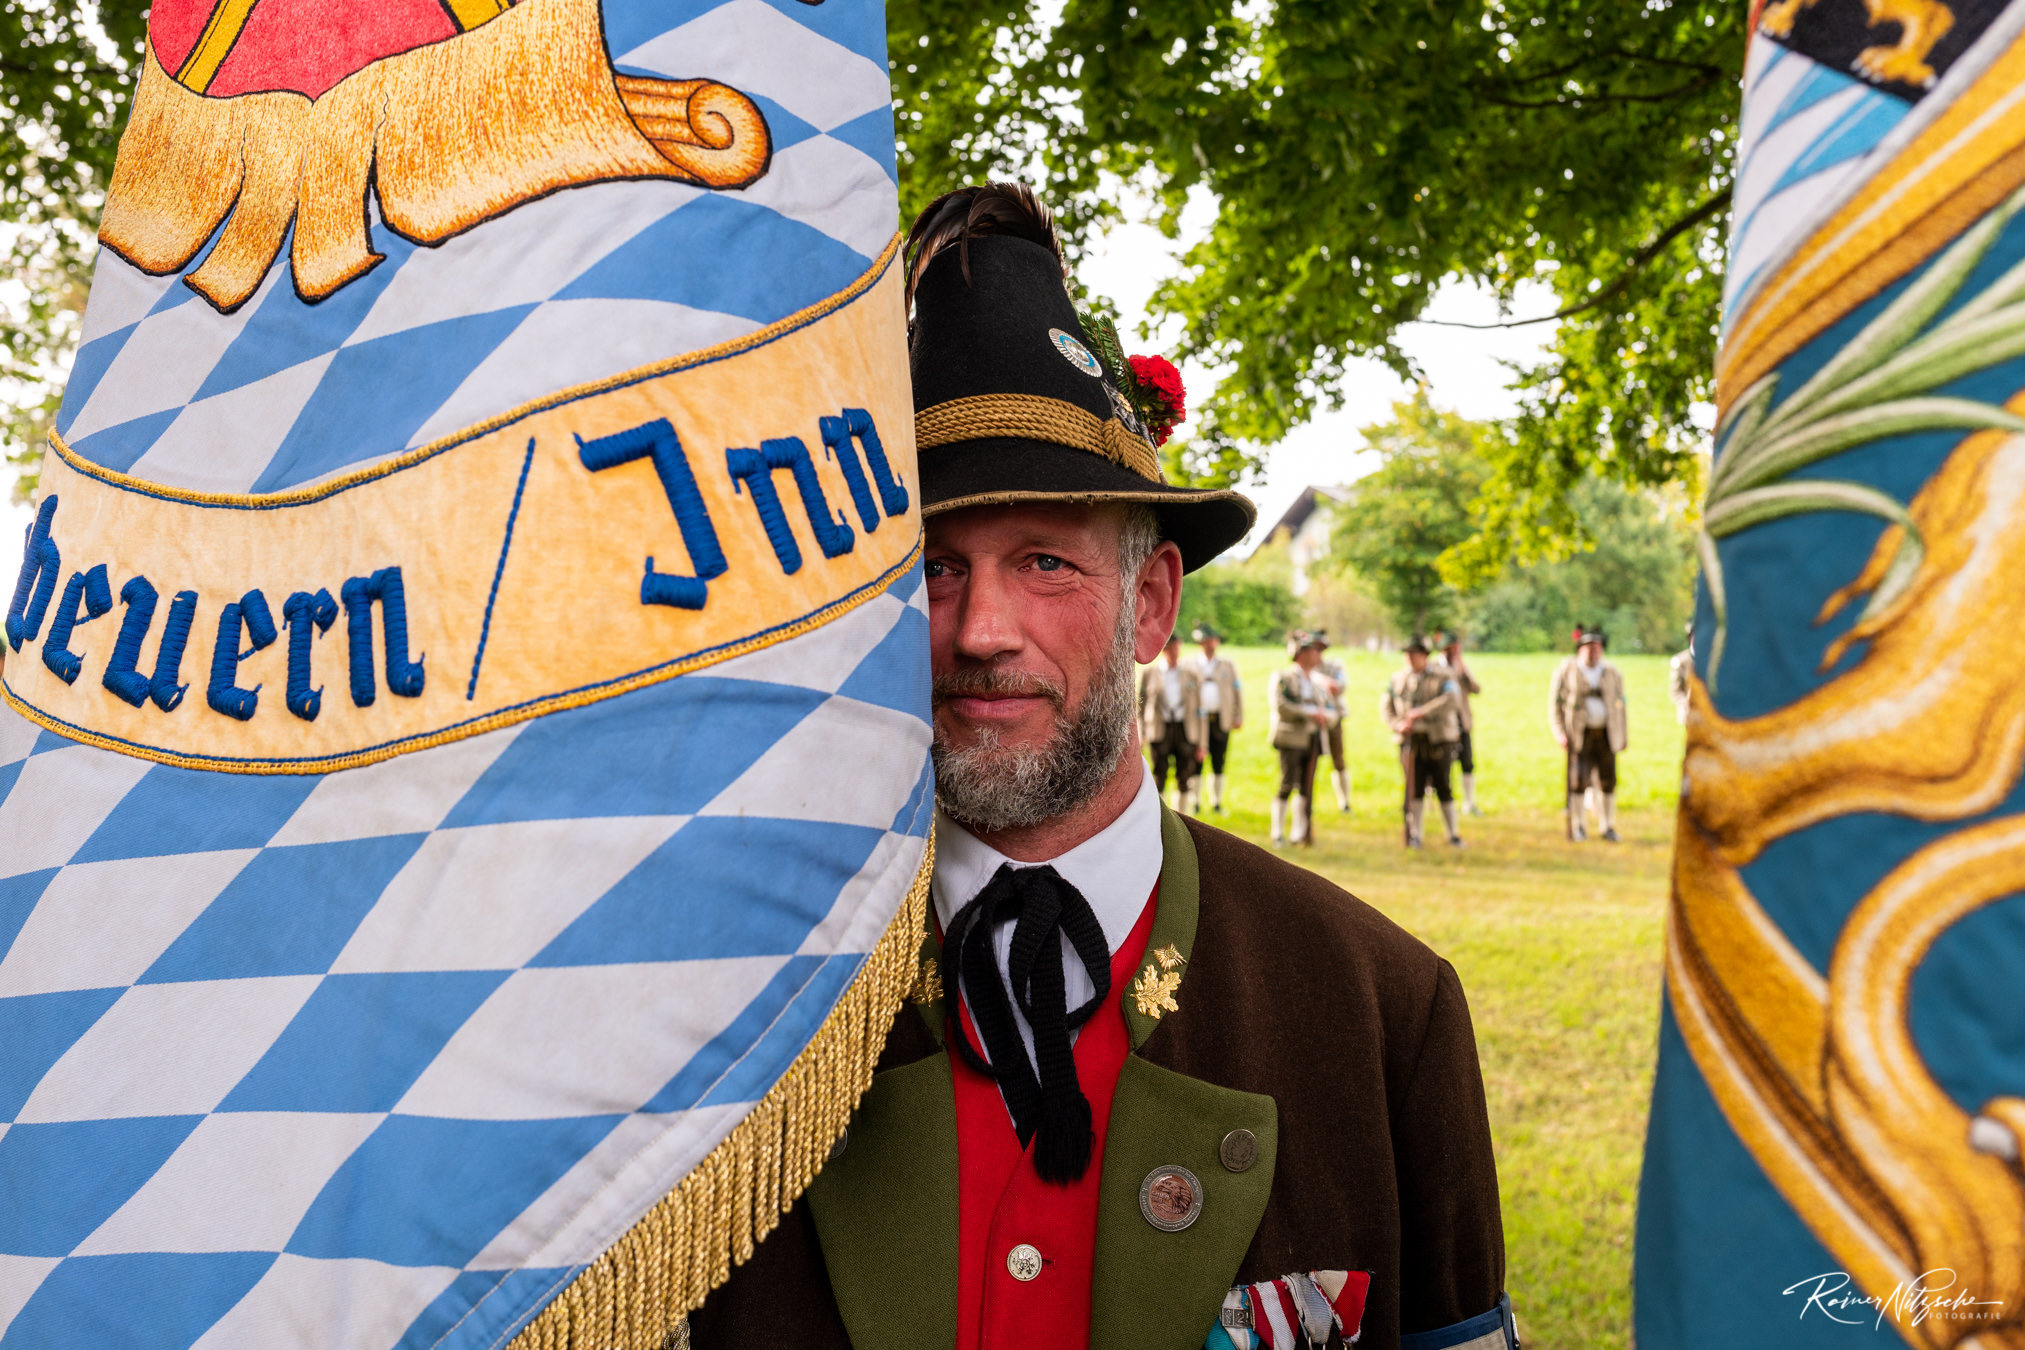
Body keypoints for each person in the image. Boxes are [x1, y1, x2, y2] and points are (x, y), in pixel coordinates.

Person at [689, 182, 1513, 1350]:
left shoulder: (1381, 1010)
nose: (982, 631)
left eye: (1045, 563)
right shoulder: (742, 998)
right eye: (932, 568)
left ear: (1153, 602)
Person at [1383, 639, 1464, 849]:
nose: (1410, 658)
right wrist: (1397, 724)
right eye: (1407, 654)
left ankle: (1453, 834)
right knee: (1414, 788)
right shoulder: (1398, 678)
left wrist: (1422, 712)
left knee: (1443, 785)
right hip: (1411, 741)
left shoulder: (1443, 676)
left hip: (1439, 739)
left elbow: (1451, 699)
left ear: (1425, 655)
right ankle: (1415, 834)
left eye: (1414, 654)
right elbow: (1386, 705)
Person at [1551, 627, 1629, 842]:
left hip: (1606, 734)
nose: (1593, 652)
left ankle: (1607, 826)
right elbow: (1555, 705)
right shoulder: (1567, 671)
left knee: (1608, 781)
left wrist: (1622, 736)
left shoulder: (1612, 673)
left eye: (1597, 648)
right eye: (1589, 648)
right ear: (1580, 650)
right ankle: (1579, 826)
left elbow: (1621, 706)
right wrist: (1559, 732)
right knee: (1578, 781)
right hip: (1579, 734)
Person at [1269, 629, 1336, 848]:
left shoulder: (1318, 682)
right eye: (1314, 650)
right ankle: (1278, 833)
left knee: (1306, 787)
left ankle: (1299, 833)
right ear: (1301, 653)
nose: (1318, 655)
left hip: (1313, 740)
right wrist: (1310, 714)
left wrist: (1326, 717)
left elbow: (1333, 710)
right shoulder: (1284, 677)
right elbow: (1281, 706)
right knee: (1287, 783)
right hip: (1291, 739)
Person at [1139, 631, 1203, 812]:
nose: (1175, 653)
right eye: (1171, 649)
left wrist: (1202, 741)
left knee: (1184, 773)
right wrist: (1141, 733)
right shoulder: (1150, 673)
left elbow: (1200, 709)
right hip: (1159, 729)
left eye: (1177, 648)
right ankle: (1159, 814)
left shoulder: (1191, 674)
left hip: (1184, 729)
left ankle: (1181, 814)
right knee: (1159, 773)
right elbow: (1140, 707)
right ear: (1163, 650)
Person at [1189, 624, 1243, 813]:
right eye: (1207, 641)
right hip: (1198, 721)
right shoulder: (1191, 665)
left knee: (1219, 760)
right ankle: (1195, 801)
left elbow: (1237, 691)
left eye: (1213, 640)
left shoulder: (1227, 665)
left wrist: (1238, 715)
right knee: (1196, 760)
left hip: (1221, 718)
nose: (1210, 644)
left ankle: (1216, 802)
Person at [1436, 632, 1484, 815]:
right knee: (1443, 764)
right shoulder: (1434, 667)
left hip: (1462, 722)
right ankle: (1445, 801)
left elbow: (1476, 689)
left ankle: (1469, 803)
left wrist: (1463, 672)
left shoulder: (1462, 667)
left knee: (1467, 762)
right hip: (1443, 724)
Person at [1313, 630, 1352, 812]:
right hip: (1312, 721)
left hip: (1334, 718)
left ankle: (1344, 802)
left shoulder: (1334, 666)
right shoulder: (1301, 670)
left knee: (1338, 759)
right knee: (1309, 760)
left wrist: (1316, 678)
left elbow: (1339, 687)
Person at [1669, 622, 1694, 725]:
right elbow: (1676, 690)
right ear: (1690, 637)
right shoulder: (1680, 661)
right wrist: (1686, 704)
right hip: (1688, 713)